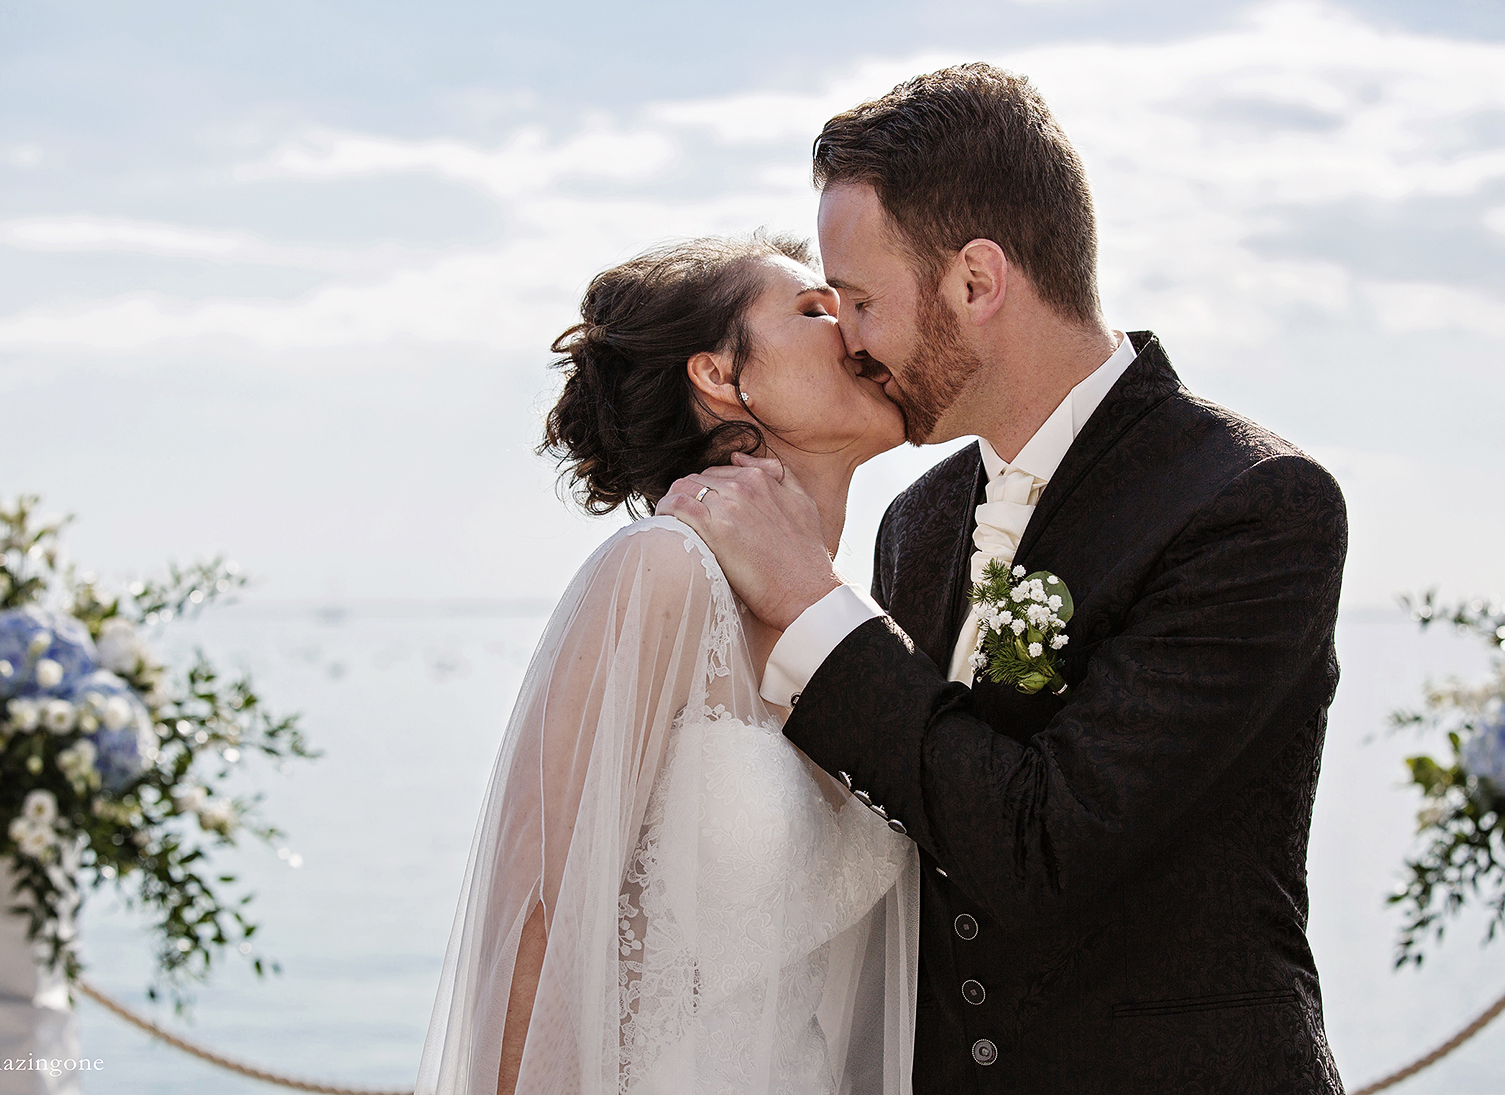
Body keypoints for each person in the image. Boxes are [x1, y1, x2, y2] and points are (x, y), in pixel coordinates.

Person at [660, 64, 1349, 1093]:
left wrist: (809, 605)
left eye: (859, 300)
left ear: (975, 284)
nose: (847, 340)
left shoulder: (1251, 507)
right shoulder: (918, 523)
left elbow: (1043, 846)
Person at [415, 234, 919, 1095]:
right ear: (721, 377)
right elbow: (534, 916)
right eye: (810, 308)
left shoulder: (859, 625)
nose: (851, 326)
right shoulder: (663, 573)